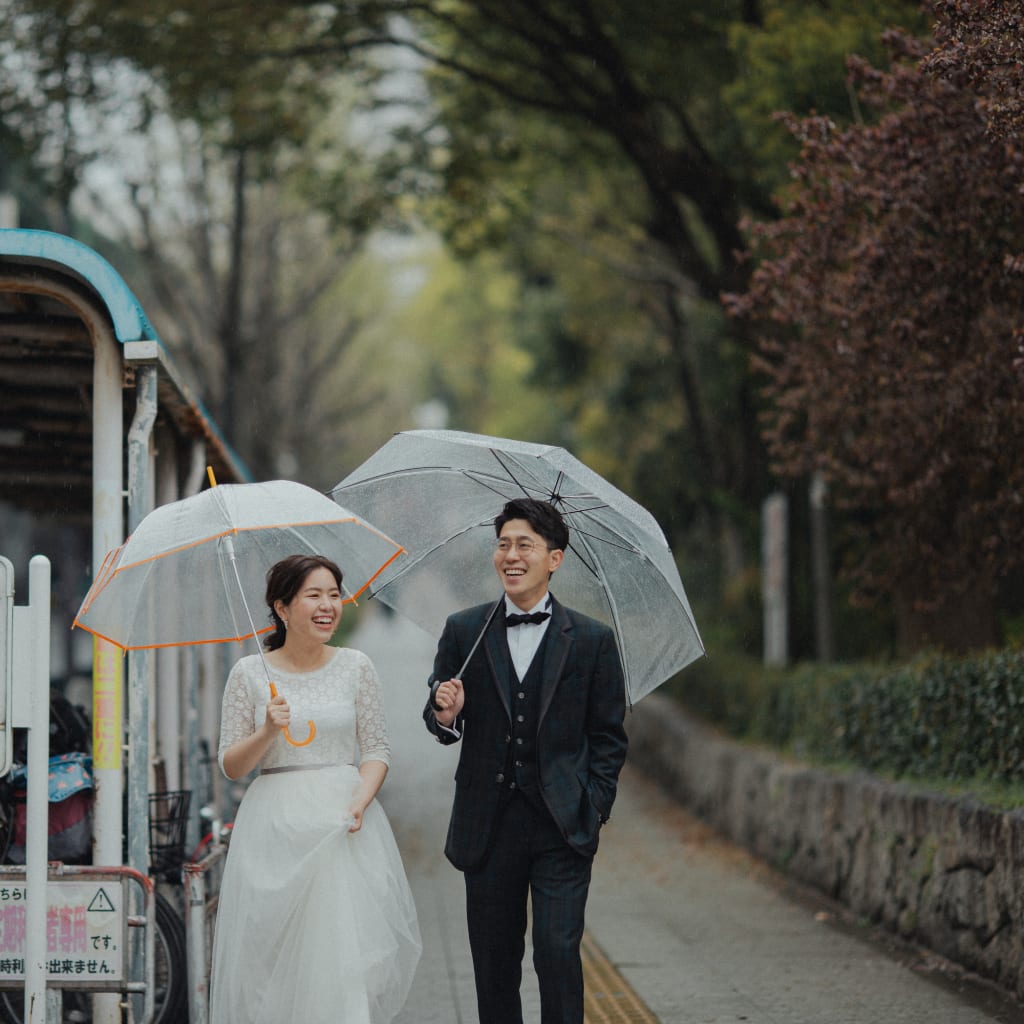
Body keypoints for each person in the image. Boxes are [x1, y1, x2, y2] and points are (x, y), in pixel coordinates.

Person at [425, 498, 628, 1024]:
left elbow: (608, 737)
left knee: (557, 955)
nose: (510, 556)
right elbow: (437, 715)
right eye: (503, 544)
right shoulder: (464, 630)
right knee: (495, 966)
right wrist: (446, 712)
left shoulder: (592, 640)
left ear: (554, 559)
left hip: (562, 824)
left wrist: (594, 804)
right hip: (487, 826)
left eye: (525, 546)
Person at [210, 554, 421, 1024]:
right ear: (282, 608)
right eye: (314, 595)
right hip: (274, 828)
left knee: (343, 963)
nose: (328, 605)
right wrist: (266, 731)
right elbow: (229, 764)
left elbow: (377, 748)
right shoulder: (248, 674)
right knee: (272, 965)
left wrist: (360, 800)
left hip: (341, 827)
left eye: (334, 594)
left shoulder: (356, 666)